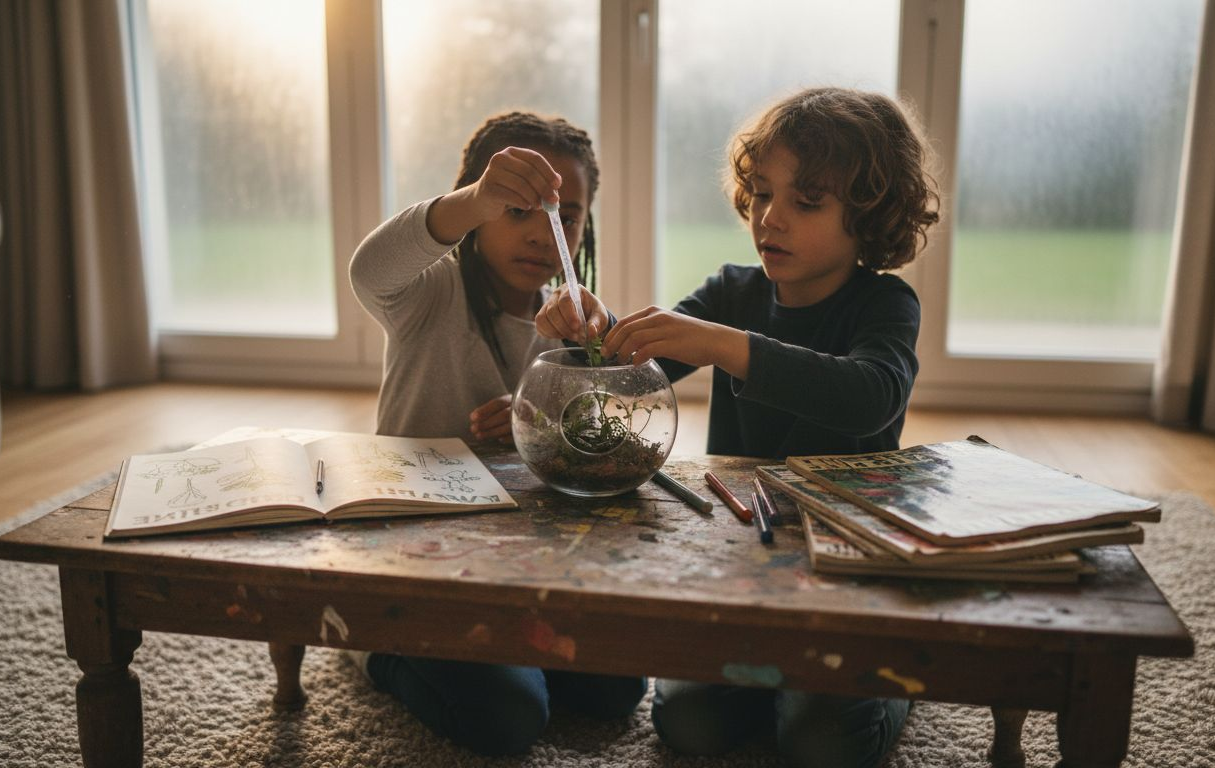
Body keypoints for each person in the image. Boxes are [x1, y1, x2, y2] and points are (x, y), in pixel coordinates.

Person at [536, 87, 940, 767]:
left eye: (806, 202)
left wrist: (728, 346)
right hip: (744, 561)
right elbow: (627, 361)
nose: (770, 219)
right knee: (687, 725)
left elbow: (872, 395)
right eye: (760, 195)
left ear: (869, 216)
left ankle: (892, 675)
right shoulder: (732, 291)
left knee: (822, 747)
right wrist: (590, 327)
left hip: (844, 566)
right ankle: (785, 679)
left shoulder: (885, 304)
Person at [346, 111, 643, 756]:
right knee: (508, 716)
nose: (543, 231)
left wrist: (547, 417)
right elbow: (370, 270)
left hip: (517, 563)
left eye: (565, 215)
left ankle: (504, 654)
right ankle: (374, 651)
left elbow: (611, 443)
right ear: (475, 214)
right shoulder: (428, 293)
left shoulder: (572, 321)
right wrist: (473, 198)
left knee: (618, 690)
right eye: (515, 210)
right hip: (416, 551)